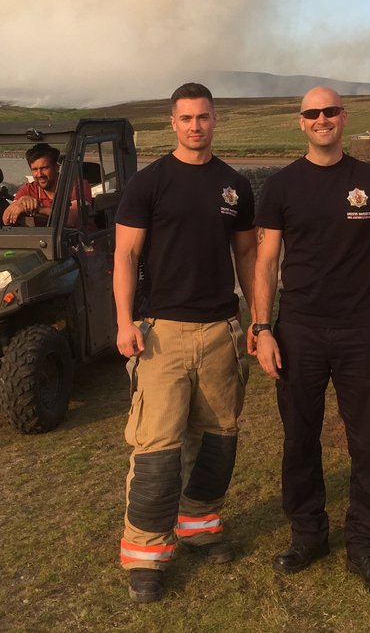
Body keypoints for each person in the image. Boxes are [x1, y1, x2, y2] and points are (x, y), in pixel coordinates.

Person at [251, 85, 370, 594]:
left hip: (358, 331)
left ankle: (365, 544)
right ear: (300, 122)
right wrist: (262, 329)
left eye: (329, 111)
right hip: (298, 330)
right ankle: (308, 535)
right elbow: (265, 263)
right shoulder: (281, 186)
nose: (321, 119)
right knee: (300, 438)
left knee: (368, 440)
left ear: (344, 116)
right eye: (312, 113)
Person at [112, 82, 257, 604]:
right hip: (162, 333)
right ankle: (146, 554)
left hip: (221, 331)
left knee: (219, 437)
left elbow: (247, 256)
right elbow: (125, 256)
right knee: (157, 447)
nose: (196, 126)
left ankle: (199, 525)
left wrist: (258, 320)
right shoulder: (148, 183)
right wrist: (124, 321)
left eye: (204, 117)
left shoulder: (234, 186)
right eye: (186, 118)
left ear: (216, 120)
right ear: (172, 123)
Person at [1, 144, 86, 226]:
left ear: (56, 167)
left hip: (73, 235)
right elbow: (6, 220)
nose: (39, 174)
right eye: (35, 169)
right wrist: (20, 202)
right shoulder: (29, 189)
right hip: (41, 235)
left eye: (44, 168)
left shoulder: (77, 186)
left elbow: (71, 219)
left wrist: (38, 209)